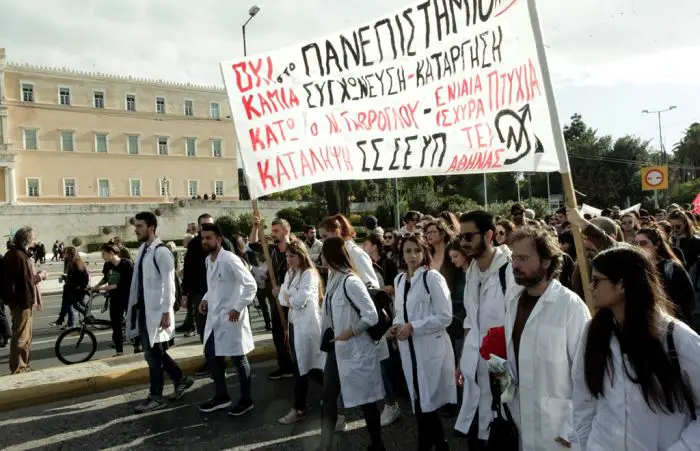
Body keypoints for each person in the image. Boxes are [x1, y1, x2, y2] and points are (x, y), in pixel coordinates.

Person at [572, 246, 700, 449]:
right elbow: (584, 399)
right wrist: (586, 444)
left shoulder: (677, 338)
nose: (590, 287)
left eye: (597, 281)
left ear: (622, 284)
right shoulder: (594, 332)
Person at [504, 227, 590, 450]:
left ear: (546, 262)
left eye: (523, 258)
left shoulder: (570, 306)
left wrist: (571, 428)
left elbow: (588, 375)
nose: (514, 264)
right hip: (522, 418)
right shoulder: (513, 302)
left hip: (560, 430)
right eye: (513, 258)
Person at [455, 211, 516, 449]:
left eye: (469, 237)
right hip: (475, 362)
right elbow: (471, 319)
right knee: (477, 432)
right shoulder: (472, 272)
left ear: (489, 235)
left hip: (501, 362)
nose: (463, 243)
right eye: (461, 237)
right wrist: (463, 359)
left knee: (501, 424)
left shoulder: (508, 272)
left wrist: (502, 366)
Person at [319, 237, 386, 451]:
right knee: (328, 396)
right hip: (336, 350)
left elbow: (371, 315)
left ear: (330, 255)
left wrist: (351, 332)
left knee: (367, 400)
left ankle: (377, 445)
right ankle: (325, 444)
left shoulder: (351, 281)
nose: (319, 257)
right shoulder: (333, 279)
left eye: (322, 253)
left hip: (356, 349)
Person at [126, 212, 194, 413]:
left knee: (153, 356)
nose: (136, 229)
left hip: (155, 312)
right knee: (155, 353)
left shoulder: (161, 252)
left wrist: (166, 312)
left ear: (151, 227)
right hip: (144, 310)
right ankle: (181, 379)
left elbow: (169, 286)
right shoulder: (143, 249)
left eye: (139, 226)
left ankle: (156, 396)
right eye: (136, 226)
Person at [392, 235, 455, 451]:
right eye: (408, 251)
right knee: (419, 402)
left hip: (429, 348)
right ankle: (437, 445)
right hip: (408, 349)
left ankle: (432, 445)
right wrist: (396, 325)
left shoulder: (432, 278)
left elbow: (446, 316)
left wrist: (414, 326)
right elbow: (400, 312)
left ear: (424, 252)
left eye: (416, 251)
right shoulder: (399, 280)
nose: (412, 256)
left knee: (426, 404)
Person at [198, 223, 257, 416]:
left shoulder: (230, 260)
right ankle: (222, 396)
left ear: (218, 239)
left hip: (232, 318)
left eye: (208, 238)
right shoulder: (209, 261)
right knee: (211, 355)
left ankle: (246, 400)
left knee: (239, 358)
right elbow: (213, 287)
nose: (205, 241)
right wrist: (205, 299)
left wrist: (237, 308)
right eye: (203, 238)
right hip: (216, 318)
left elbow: (250, 285)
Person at [277, 241, 326, 424]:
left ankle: (298, 409)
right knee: (306, 367)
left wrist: (288, 296)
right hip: (294, 325)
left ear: (302, 255)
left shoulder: (309, 274)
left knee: (303, 368)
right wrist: (288, 296)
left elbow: (298, 301)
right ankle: (333, 391)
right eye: (287, 256)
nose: (288, 260)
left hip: (306, 327)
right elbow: (283, 298)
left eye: (292, 256)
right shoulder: (290, 273)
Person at [249, 215, 295, 380]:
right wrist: (255, 226)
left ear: (286, 230)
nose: (273, 234)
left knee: (292, 333)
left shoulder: (295, 249)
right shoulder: (273, 250)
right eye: (272, 231)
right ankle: (284, 365)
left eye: (276, 231)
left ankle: (296, 365)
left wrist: (283, 290)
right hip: (277, 299)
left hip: (292, 300)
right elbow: (253, 245)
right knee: (277, 333)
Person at [0, 227, 47, 373]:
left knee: (23, 335)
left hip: (17, 301)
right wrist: (40, 276)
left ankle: (23, 365)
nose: (35, 240)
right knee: (22, 336)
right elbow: (25, 282)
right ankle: (19, 367)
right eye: (33, 237)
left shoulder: (13, 254)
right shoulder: (19, 256)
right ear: (27, 239)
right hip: (22, 302)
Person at [635, 227, 695, 326]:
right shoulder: (637, 268)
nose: (638, 248)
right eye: (635, 244)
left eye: (643, 243)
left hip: (673, 322)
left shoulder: (671, 267)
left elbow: (688, 299)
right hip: (649, 323)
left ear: (657, 244)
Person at [93, 242, 134, 357]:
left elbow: (130, 282)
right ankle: (119, 351)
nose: (102, 257)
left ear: (111, 253)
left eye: (103, 254)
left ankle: (137, 346)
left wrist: (109, 287)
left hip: (127, 297)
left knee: (132, 322)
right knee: (115, 324)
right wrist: (96, 287)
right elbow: (106, 278)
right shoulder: (107, 265)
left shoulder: (127, 264)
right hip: (115, 298)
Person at [52, 247, 90, 327]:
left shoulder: (77, 262)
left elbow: (84, 276)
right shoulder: (69, 261)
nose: (64, 254)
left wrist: (81, 286)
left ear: (70, 254)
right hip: (70, 286)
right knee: (68, 304)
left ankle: (88, 316)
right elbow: (70, 274)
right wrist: (64, 277)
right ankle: (68, 323)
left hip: (76, 288)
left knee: (75, 304)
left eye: (66, 253)